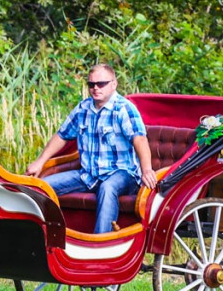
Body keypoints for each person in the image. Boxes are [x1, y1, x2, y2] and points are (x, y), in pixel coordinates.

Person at [25, 64, 157, 234]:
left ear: (113, 84)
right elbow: (62, 136)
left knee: (108, 188)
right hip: (88, 175)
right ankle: (43, 236)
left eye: (101, 83)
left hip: (122, 173)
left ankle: (100, 245)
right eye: (91, 84)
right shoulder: (83, 108)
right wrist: (40, 162)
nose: (96, 88)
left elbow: (139, 139)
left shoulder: (123, 108)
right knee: (40, 187)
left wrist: (147, 170)